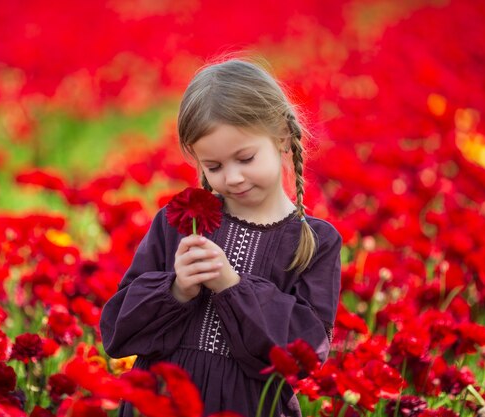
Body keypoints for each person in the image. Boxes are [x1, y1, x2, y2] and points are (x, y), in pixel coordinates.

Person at [100, 58, 342, 417]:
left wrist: (233, 287)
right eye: (213, 167)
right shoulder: (181, 221)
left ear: (282, 138)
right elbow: (118, 333)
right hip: (162, 401)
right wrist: (176, 289)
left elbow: (306, 351)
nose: (232, 178)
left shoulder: (315, 242)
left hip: (248, 406)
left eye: (245, 158)